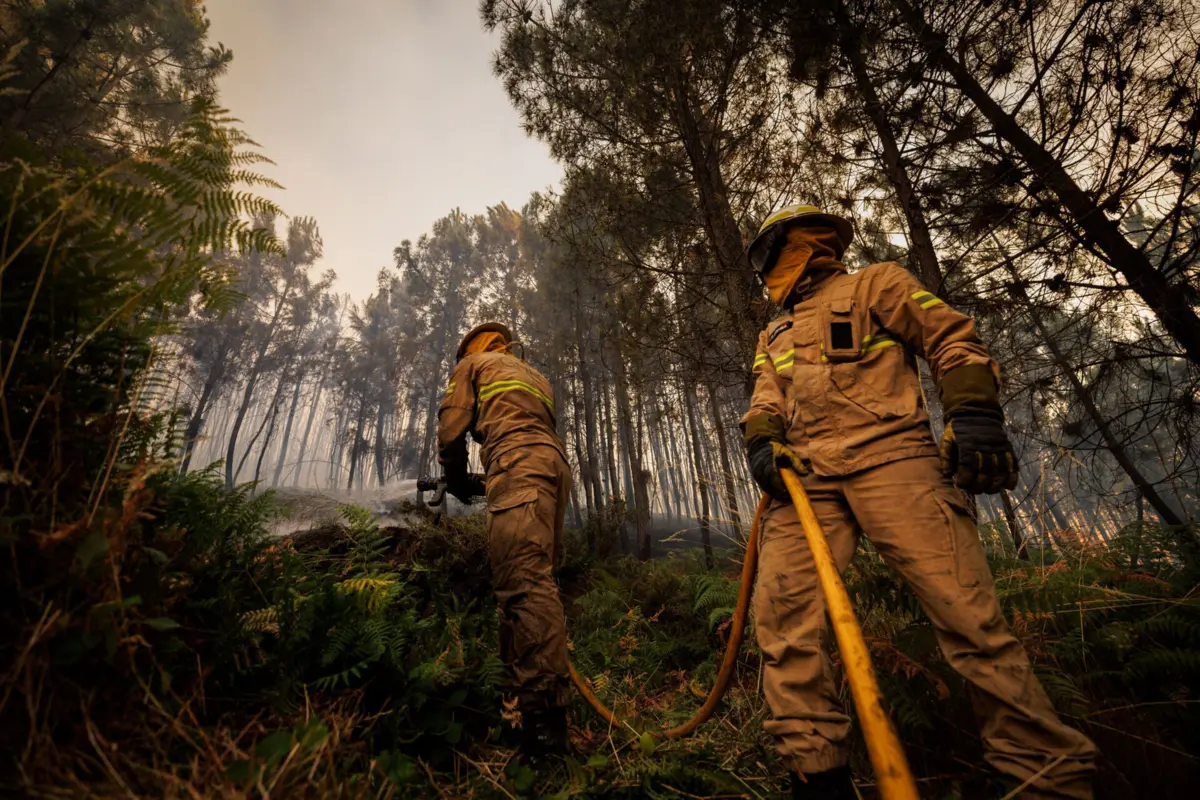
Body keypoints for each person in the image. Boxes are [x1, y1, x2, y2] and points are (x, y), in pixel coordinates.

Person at [740, 205, 1097, 799]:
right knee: (783, 624)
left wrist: (973, 409)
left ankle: (1045, 779)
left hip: (895, 460)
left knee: (969, 619)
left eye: (763, 253)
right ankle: (817, 775)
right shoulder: (773, 333)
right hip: (804, 479)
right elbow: (765, 395)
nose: (762, 269)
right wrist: (761, 441)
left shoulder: (877, 283)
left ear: (794, 243)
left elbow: (949, 336)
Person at [436, 321, 573, 766]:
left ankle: (544, 730)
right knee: (533, 583)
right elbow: (527, 430)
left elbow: (451, 428)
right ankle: (515, 707)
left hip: (517, 464)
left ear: (469, 349)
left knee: (524, 587)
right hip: (553, 468)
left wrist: (457, 479)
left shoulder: (473, 365)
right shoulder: (532, 374)